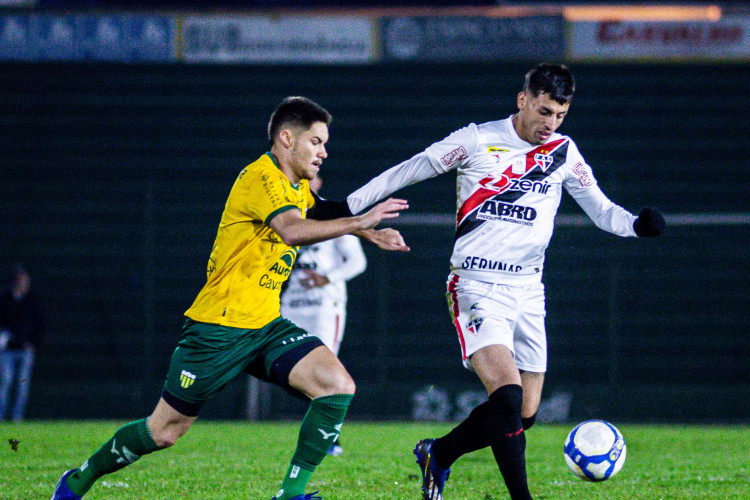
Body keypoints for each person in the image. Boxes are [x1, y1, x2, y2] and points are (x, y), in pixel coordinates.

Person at [51, 96, 410, 500]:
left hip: (264, 325)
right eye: (316, 142)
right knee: (164, 431)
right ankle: (78, 479)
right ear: (287, 138)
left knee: (337, 385)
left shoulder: (296, 186)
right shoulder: (260, 178)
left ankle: (290, 494)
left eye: (325, 143)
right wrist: (359, 221)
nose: (324, 152)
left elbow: (322, 210)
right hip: (217, 328)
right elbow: (293, 230)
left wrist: (365, 231)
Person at [342, 64, 665, 499]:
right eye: (544, 111)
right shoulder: (476, 139)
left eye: (560, 116)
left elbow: (603, 211)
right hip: (476, 285)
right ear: (522, 100)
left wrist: (637, 225)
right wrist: (349, 205)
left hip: (530, 291)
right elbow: (412, 168)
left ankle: (439, 453)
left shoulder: (565, 153)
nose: (550, 125)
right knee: (508, 399)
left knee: (523, 413)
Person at [281, 174, 367, 456]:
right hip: (290, 305)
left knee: (324, 371)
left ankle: (331, 436)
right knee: (288, 370)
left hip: (324, 307)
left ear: (318, 182)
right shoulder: (283, 214)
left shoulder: (331, 215)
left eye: (315, 176)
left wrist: (327, 278)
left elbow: (357, 262)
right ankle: (324, 429)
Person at [0, 263, 46, 422]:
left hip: (25, 350)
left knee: (22, 385)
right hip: (7, 350)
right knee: (5, 382)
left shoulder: (32, 299)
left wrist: (33, 342)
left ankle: (16, 418)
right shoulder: (4, 298)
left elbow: (40, 323)